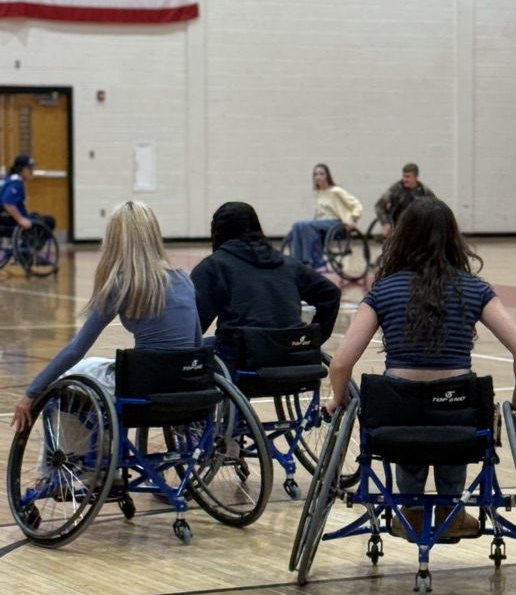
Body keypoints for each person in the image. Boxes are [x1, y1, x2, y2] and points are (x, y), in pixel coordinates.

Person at [327, 197, 516, 539]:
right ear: (455, 238)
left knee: (405, 406)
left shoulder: (383, 290)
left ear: (402, 238)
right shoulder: (474, 289)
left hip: (395, 419)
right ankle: (451, 511)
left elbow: (341, 363)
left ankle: (410, 512)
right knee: (455, 406)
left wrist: (338, 398)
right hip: (458, 416)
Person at [12, 201, 201, 431]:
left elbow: (76, 349)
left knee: (67, 377)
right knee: (95, 365)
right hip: (184, 380)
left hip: (145, 382)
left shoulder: (121, 284)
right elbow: (196, 343)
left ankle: (69, 463)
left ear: (114, 239)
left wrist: (32, 392)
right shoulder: (184, 278)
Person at [191, 201, 341, 358]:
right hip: (293, 353)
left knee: (202, 349)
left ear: (217, 232)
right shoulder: (287, 263)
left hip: (244, 355)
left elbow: (191, 324)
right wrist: (312, 341)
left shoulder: (213, 266)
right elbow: (330, 293)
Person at [286, 163, 362, 266]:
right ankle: (298, 261)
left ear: (327, 176)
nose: (318, 177)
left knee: (306, 224)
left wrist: (354, 219)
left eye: (321, 174)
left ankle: (314, 258)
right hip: (321, 222)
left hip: (336, 222)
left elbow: (356, 204)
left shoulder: (335, 191)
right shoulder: (318, 192)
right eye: (316, 174)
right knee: (297, 225)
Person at [374, 162, 435, 236]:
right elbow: (379, 206)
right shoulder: (396, 189)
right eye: (404, 176)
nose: (405, 179)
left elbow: (435, 206)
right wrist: (385, 223)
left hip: (419, 227)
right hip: (398, 227)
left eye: (408, 177)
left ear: (416, 177)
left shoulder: (423, 191)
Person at [1, 154, 56, 231]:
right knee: (50, 221)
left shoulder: (7, 179)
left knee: (36, 216)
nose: (32, 171)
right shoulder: (17, 183)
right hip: (11, 220)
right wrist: (20, 219)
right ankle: (31, 242)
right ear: (20, 169)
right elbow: (8, 203)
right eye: (29, 169)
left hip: (5, 218)